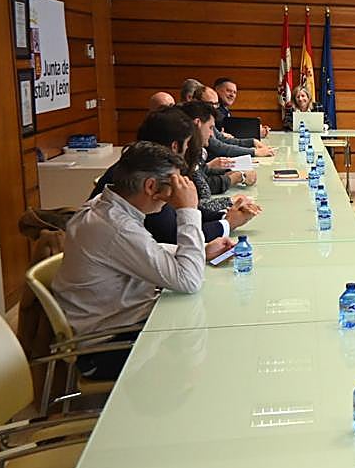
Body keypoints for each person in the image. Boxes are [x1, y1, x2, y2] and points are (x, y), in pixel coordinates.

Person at [55, 141, 232, 380]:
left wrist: (201, 248)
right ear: (150, 186)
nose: (174, 196)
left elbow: (141, 250)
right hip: (109, 346)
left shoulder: (104, 207)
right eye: (175, 187)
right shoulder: (117, 228)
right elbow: (189, 281)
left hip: (121, 324)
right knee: (216, 348)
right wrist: (188, 209)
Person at [90, 107, 257, 243]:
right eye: (187, 145)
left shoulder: (138, 164)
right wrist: (228, 223)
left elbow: (183, 212)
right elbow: (174, 236)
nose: (188, 151)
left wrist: (226, 214)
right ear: (175, 147)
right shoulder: (148, 176)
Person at [196, 86, 273, 158]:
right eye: (210, 104)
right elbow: (220, 147)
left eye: (216, 104)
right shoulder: (197, 122)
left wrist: (252, 142)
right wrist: (255, 152)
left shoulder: (208, 119)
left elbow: (223, 139)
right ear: (196, 102)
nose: (213, 108)